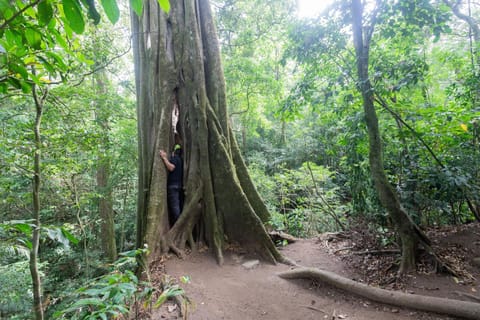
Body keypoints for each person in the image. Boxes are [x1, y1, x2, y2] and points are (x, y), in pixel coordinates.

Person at [160, 144, 184, 225]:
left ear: (174, 153)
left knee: (175, 208)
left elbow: (171, 167)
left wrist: (164, 158)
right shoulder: (181, 159)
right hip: (179, 186)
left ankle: (179, 225)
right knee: (178, 206)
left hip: (173, 187)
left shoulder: (175, 158)